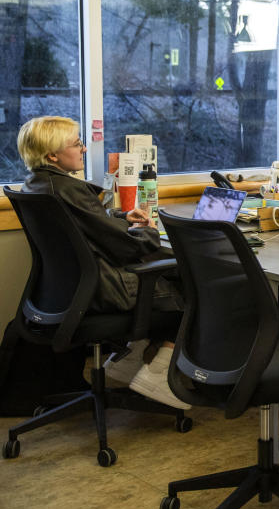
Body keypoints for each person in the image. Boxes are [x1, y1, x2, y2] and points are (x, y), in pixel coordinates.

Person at [16, 116, 189, 410]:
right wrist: (147, 230)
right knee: (194, 288)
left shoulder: (39, 185)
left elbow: (84, 226)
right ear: (52, 155)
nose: (83, 149)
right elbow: (125, 247)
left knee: (169, 274)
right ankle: (158, 373)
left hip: (66, 294)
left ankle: (128, 359)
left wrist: (121, 218)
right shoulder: (68, 190)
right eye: (77, 144)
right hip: (104, 290)